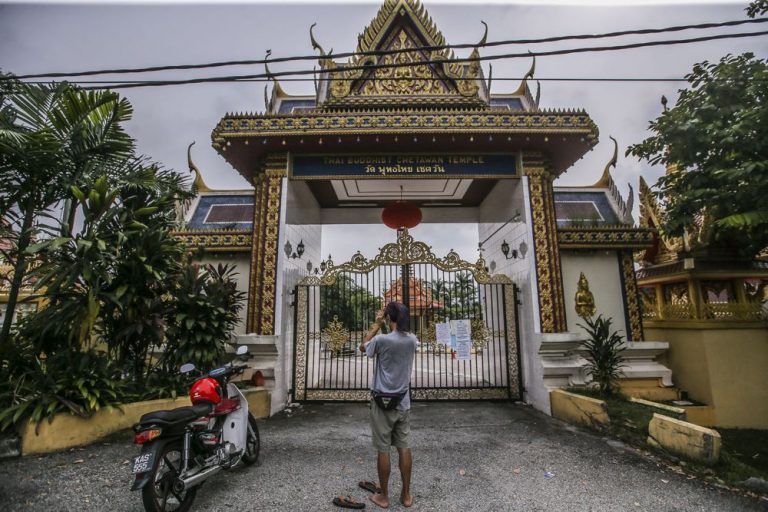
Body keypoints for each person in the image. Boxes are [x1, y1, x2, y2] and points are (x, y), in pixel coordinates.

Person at [359, 301, 418, 509]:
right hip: (402, 402)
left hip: (381, 403)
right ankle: (406, 494)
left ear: (388, 317)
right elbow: (395, 340)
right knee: (404, 447)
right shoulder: (412, 340)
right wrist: (385, 326)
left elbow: (363, 346)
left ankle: (384, 496)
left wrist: (376, 325)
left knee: (383, 449)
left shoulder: (381, 340)